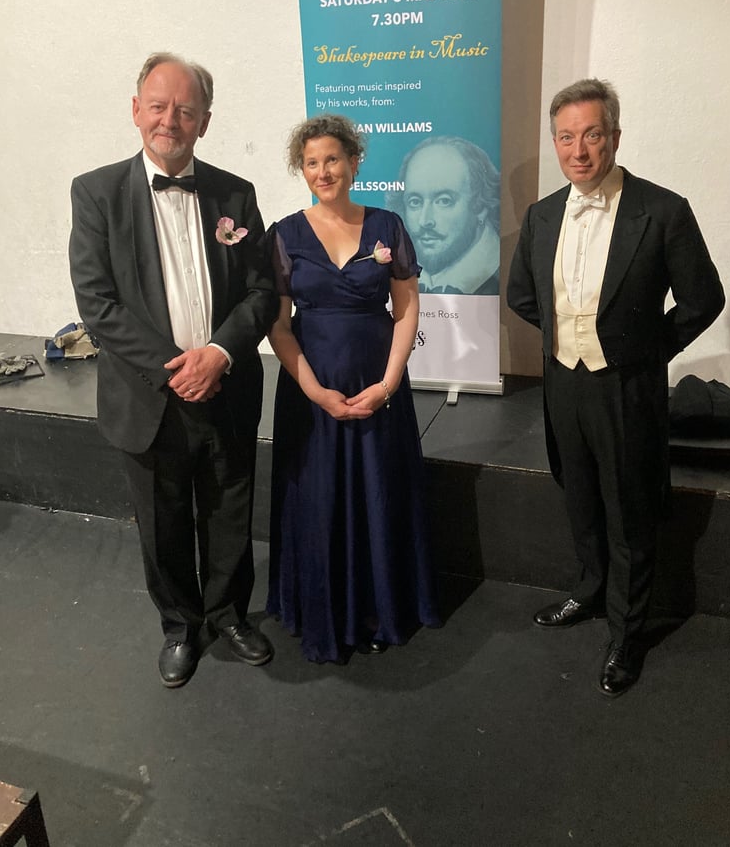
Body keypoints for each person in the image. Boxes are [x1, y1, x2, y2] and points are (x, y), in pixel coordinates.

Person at [507, 78, 724, 697]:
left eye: (592, 134)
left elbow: (702, 299)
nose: (579, 150)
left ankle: (628, 632)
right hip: (563, 384)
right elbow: (523, 295)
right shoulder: (543, 213)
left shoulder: (663, 210)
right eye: (566, 137)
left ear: (615, 137)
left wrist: (647, 348)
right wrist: (561, 337)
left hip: (626, 387)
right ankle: (588, 589)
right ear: (555, 143)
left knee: (630, 510)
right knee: (579, 495)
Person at [69, 52, 278, 688]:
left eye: (185, 109)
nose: (170, 119)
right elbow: (97, 303)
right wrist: (175, 368)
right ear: (136, 111)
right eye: (158, 106)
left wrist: (217, 354)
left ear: (205, 121)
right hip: (147, 395)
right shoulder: (96, 192)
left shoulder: (235, 193)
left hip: (226, 384)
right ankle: (181, 627)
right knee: (161, 522)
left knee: (229, 510)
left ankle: (229, 614)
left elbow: (263, 291)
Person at [266, 114, 440, 664]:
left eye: (333, 159)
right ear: (302, 169)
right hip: (310, 391)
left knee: (379, 490)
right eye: (312, 162)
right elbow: (278, 324)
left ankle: (379, 607)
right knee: (319, 498)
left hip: (377, 383)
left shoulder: (387, 225)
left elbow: (407, 306)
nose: (324, 171)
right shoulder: (284, 234)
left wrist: (388, 384)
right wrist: (314, 390)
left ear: (355, 162)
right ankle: (324, 610)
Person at [386, 135, 500, 294]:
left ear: (480, 206)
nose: (424, 221)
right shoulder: (389, 271)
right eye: (415, 202)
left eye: (444, 201)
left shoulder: (502, 275)